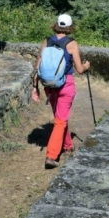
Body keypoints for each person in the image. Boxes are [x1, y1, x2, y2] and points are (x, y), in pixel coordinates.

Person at [32, 13, 90, 169]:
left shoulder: (47, 41)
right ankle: (51, 156)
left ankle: (68, 146)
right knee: (60, 120)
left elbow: (37, 67)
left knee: (60, 117)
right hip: (65, 85)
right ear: (70, 27)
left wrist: (34, 88)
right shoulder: (72, 44)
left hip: (49, 86)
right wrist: (86, 66)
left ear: (56, 25)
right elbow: (79, 69)